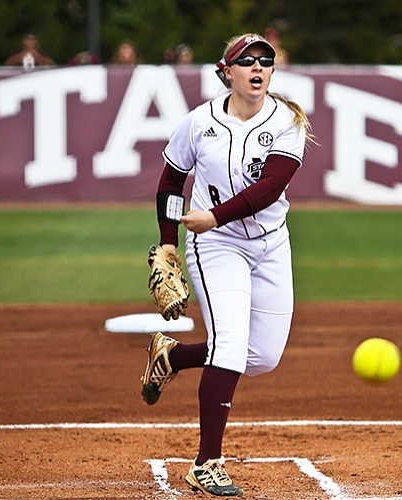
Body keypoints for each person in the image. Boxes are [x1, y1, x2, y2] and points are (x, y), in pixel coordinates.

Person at [140, 33, 313, 496]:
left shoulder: (288, 121)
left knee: (261, 358)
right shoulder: (199, 122)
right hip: (215, 246)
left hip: (271, 244)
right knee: (231, 343)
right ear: (227, 71)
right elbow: (171, 180)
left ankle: (172, 356)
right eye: (248, 61)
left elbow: (269, 189)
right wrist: (168, 242)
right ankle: (206, 462)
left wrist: (213, 213)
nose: (258, 68)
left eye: (266, 61)